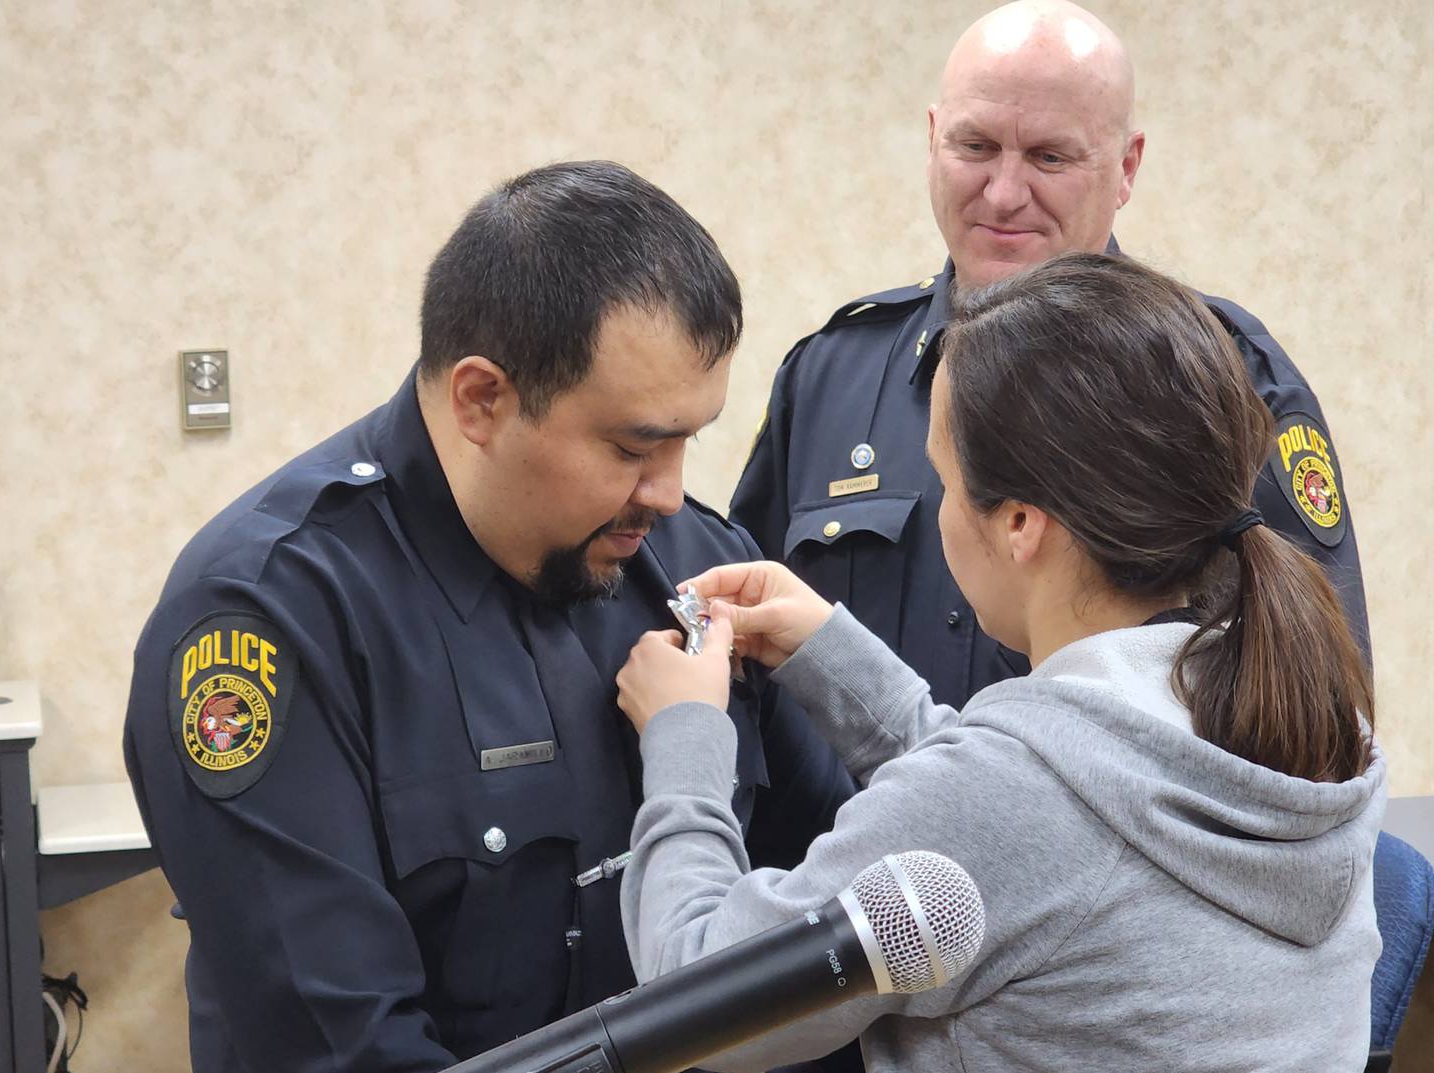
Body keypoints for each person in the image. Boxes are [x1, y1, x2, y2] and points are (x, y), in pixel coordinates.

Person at [122, 160, 853, 1073]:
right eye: (632, 446)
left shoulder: (691, 562)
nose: (667, 492)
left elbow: (834, 915)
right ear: (481, 399)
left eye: (687, 441)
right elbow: (342, 1048)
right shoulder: (270, 617)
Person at [615, 253, 1384, 1072]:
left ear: (1020, 523)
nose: (942, 509)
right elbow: (1044, 811)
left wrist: (685, 734)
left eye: (945, 480)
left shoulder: (1012, 797)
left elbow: (694, 999)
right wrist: (829, 651)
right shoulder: (1303, 715)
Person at [730, 0, 1369, 714]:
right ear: (933, 139)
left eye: (1049, 156)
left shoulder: (1219, 377)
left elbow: (1312, 705)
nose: (1004, 194)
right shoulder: (829, 377)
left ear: (1126, 167)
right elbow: (747, 658)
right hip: (855, 826)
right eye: (975, 147)